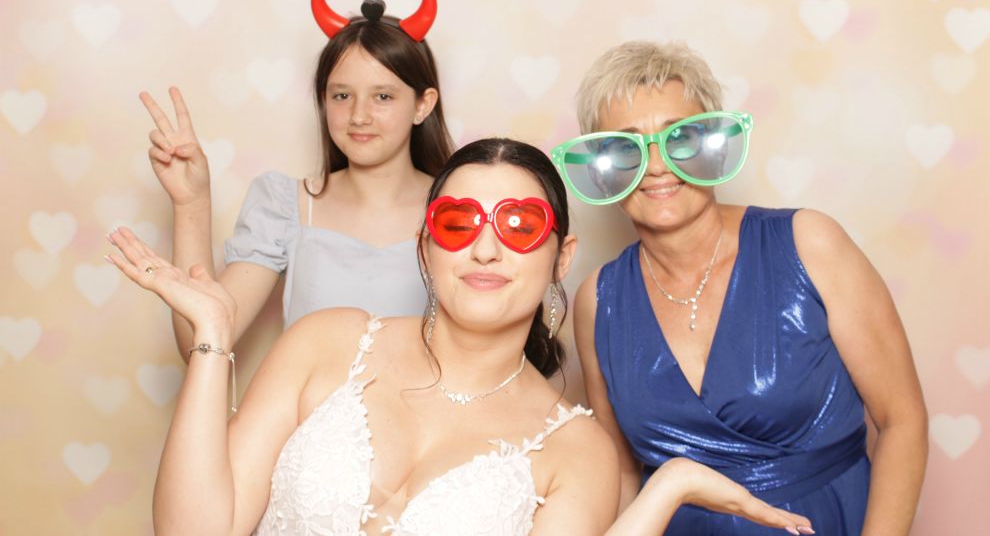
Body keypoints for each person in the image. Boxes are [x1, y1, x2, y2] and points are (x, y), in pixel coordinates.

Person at [104, 138, 814, 535]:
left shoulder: (576, 452)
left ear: (560, 257)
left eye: (519, 226)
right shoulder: (325, 343)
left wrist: (668, 489)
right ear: (426, 245)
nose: (485, 249)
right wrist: (212, 341)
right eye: (458, 223)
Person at [551, 41, 928, 535]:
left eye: (680, 138)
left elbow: (902, 420)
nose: (657, 165)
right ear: (602, 169)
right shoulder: (598, 300)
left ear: (714, 144)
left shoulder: (810, 243)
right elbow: (622, 473)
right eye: (627, 148)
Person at [140, 0, 454, 359]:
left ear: (423, 104)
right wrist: (191, 203)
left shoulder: (462, 209)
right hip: (306, 401)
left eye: (383, 96)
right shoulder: (285, 205)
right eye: (342, 95)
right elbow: (201, 343)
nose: (359, 115)